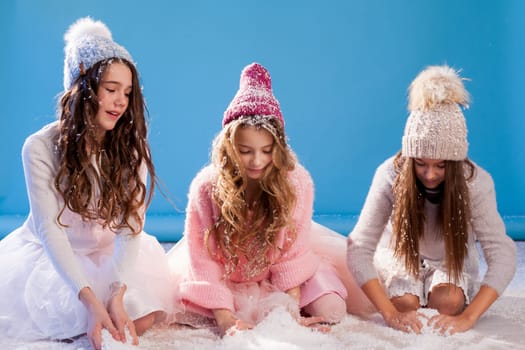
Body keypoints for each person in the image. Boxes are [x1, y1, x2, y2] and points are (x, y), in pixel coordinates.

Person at [0, 17, 171, 349]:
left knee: (140, 313)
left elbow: (130, 225)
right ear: (83, 89)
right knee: (74, 320)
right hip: (57, 257)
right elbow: (51, 230)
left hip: (108, 252)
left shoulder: (131, 146)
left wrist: (116, 293)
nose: (121, 102)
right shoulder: (39, 147)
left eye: (127, 92)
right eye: (111, 90)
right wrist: (92, 302)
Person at [167, 62, 352, 336]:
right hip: (227, 275)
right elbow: (203, 259)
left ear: (278, 148)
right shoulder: (206, 187)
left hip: (278, 273)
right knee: (190, 312)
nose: (257, 161)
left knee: (332, 309)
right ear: (229, 148)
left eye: (267, 151)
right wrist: (225, 318)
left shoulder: (296, 182)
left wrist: (288, 311)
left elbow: (292, 253)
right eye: (245, 151)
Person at [346, 65, 517, 335]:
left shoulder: (476, 183)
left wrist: (469, 318)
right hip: (399, 255)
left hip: (450, 260)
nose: (430, 174)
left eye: (441, 166)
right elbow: (359, 245)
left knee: (448, 302)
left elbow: (503, 253)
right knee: (405, 303)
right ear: (410, 157)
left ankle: (440, 293)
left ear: (455, 161)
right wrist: (388, 313)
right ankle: (407, 295)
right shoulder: (389, 174)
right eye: (421, 164)